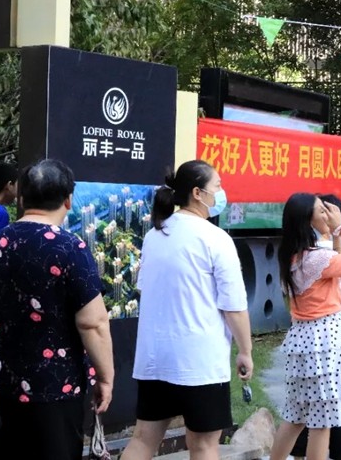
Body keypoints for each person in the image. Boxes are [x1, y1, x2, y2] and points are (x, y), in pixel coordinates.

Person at [0, 159, 114, 460]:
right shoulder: (70, 248)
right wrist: (105, 377)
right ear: (68, 200)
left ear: (21, 199)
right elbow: (93, 323)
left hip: (0, 386)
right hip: (57, 386)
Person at [122, 160, 253, 460]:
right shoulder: (216, 238)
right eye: (217, 186)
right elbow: (234, 306)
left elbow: (145, 288)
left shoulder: (155, 235)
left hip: (155, 359)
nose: (221, 192)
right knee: (204, 445)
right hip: (199, 362)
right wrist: (245, 351)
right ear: (197, 193)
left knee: (143, 440)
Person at [269, 193, 341, 460]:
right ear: (308, 220)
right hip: (326, 340)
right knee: (322, 422)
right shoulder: (317, 258)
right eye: (322, 211)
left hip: (304, 338)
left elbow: (338, 265)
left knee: (296, 416)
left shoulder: (294, 255)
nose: (328, 214)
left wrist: (336, 235)